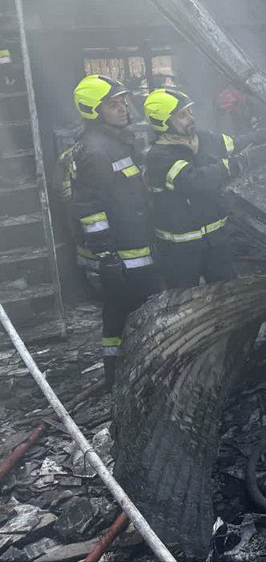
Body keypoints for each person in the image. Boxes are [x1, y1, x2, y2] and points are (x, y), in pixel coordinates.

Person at [69, 74, 158, 386]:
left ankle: (138, 370)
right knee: (119, 314)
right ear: (93, 110)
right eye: (112, 104)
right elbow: (90, 209)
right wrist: (107, 256)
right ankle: (116, 378)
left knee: (137, 308)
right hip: (120, 252)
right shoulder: (94, 150)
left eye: (122, 102)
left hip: (134, 242)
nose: (122, 108)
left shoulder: (118, 140)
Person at [143, 87, 266, 289]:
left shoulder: (202, 138)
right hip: (180, 249)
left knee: (229, 294)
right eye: (182, 115)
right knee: (182, 302)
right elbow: (193, 180)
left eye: (190, 112)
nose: (191, 118)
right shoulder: (159, 156)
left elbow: (236, 143)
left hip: (216, 241)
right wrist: (239, 163)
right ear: (163, 122)